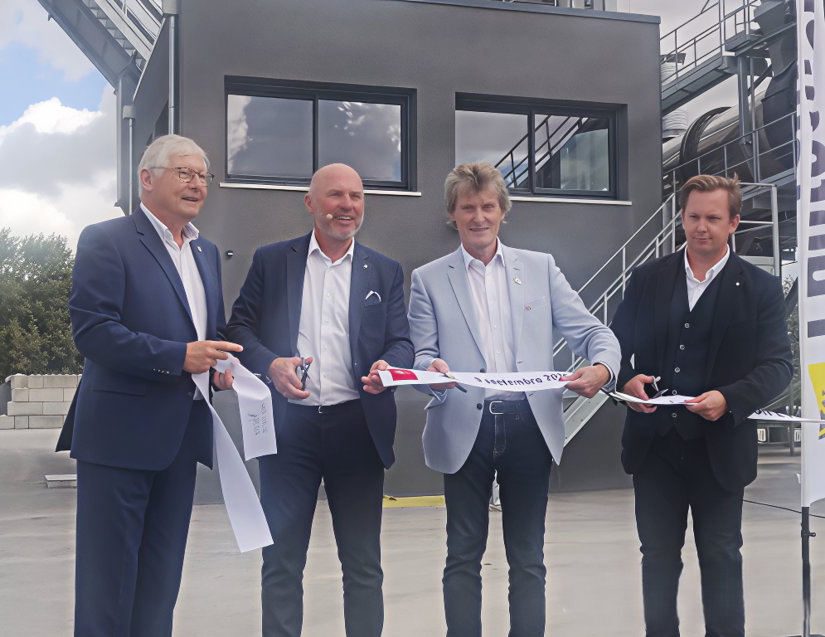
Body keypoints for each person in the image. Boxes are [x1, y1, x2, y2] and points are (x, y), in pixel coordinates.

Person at [406, 161, 620, 637]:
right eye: (468, 208)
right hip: (464, 427)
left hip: (529, 427)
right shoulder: (428, 279)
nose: (478, 217)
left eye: (488, 206)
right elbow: (422, 355)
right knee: (463, 555)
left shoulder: (540, 268)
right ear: (452, 214)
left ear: (503, 210)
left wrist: (603, 368)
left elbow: (593, 332)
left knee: (528, 558)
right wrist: (429, 372)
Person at [56, 134, 240, 637]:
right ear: (147, 179)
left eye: (203, 176)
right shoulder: (107, 239)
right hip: (119, 438)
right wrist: (179, 357)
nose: (197, 184)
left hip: (180, 440)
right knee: (108, 586)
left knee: (161, 581)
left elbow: (210, 333)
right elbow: (94, 331)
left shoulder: (204, 252)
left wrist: (217, 369)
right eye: (185, 173)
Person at [226, 163, 413, 637]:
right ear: (310, 203)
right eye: (335, 195)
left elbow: (401, 342)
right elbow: (239, 328)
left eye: (356, 196)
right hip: (290, 432)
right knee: (282, 562)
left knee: (363, 565)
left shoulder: (385, 270)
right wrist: (270, 363)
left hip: (358, 427)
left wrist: (388, 367)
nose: (347, 206)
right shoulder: (272, 261)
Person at [609, 174, 793, 637]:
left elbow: (777, 366)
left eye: (713, 218)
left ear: (734, 222)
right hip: (654, 446)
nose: (701, 227)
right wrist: (625, 379)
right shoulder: (648, 278)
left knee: (722, 555)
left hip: (720, 448)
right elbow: (612, 346)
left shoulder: (761, 288)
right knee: (657, 556)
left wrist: (730, 398)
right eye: (693, 217)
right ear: (682, 218)